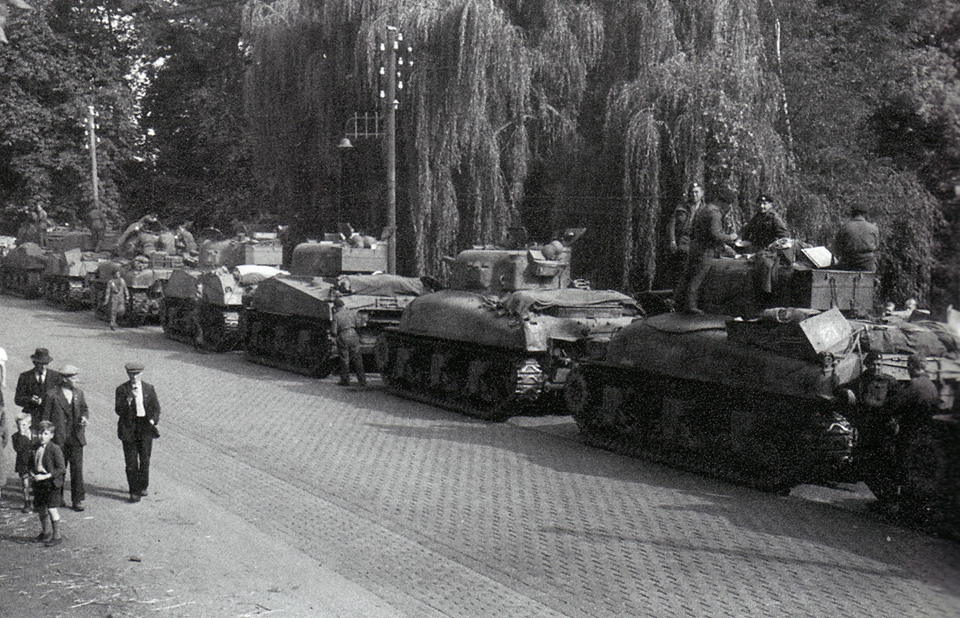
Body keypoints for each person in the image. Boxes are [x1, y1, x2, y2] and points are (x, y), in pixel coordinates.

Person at [673, 187, 739, 315]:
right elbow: (715, 235)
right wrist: (731, 237)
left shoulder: (705, 209)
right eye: (728, 204)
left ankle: (678, 303)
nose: (728, 207)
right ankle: (691, 307)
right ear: (724, 202)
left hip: (695, 247)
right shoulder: (714, 213)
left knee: (689, 275)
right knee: (698, 277)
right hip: (705, 250)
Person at [40, 365, 88, 512]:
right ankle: (57, 497)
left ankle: (77, 499)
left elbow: (84, 409)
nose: (77, 381)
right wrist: (47, 436)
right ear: (65, 379)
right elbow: (45, 418)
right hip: (58, 439)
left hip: (76, 437)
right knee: (60, 469)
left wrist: (85, 418)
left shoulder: (78, 393)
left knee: (77, 469)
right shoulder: (52, 395)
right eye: (74, 378)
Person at [115, 362, 160, 503]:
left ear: (141, 374)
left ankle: (142, 485)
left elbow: (156, 408)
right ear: (128, 374)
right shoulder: (122, 389)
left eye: (136, 374)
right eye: (131, 374)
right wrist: (128, 399)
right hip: (129, 427)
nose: (134, 377)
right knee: (131, 462)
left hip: (145, 427)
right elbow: (118, 410)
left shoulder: (148, 388)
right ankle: (134, 491)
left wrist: (152, 421)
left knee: (145, 460)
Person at [31, 420, 66, 547]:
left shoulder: (54, 449)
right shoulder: (35, 447)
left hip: (51, 483)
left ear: (51, 435)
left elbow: (61, 468)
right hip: (39, 482)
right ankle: (45, 532)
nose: (42, 436)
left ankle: (57, 535)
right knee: (41, 508)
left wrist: (46, 476)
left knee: (52, 509)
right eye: (40, 433)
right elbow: (32, 463)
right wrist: (32, 473)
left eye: (45, 434)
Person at [666, 182, 705, 285]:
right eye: (692, 192)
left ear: (702, 194)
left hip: (695, 243)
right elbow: (671, 224)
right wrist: (672, 241)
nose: (694, 195)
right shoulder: (682, 207)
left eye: (697, 192)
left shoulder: (705, 210)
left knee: (693, 273)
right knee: (680, 272)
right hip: (682, 241)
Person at [15, 348, 61, 431]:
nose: (43, 366)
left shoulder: (56, 376)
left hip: (51, 418)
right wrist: (30, 399)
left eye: (46, 363)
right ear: (34, 362)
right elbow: (18, 399)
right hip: (32, 418)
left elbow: (61, 397)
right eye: (41, 363)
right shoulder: (25, 377)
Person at [331, 297, 366, 387]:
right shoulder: (351, 313)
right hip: (353, 335)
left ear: (335, 307)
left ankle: (345, 380)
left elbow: (334, 331)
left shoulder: (336, 316)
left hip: (343, 335)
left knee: (344, 359)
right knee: (357, 358)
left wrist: (334, 337)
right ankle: (362, 381)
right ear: (343, 305)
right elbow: (358, 325)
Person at [834, 204, 879, 272]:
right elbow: (876, 246)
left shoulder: (845, 227)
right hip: (868, 264)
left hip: (849, 264)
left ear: (852, 214)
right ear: (865, 214)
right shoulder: (874, 228)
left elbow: (838, 248)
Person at [13, 413, 36, 512]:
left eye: (24, 425)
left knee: (36, 482)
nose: (21, 428)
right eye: (19, 425)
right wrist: (22, 436)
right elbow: (18, 448)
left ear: (29, 424)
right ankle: (27, 502)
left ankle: (38, 502)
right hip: (23, 462)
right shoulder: (16, 436)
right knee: (25, 483)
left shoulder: (35, 434)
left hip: (34, 461)